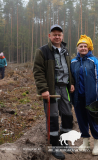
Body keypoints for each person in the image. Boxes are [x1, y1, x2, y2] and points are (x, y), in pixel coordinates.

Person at [33, 24, 75, 159]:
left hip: (65, 88)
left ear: (62, 37)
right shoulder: (42, 51)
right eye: (54, 34)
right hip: (52, 89)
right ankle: (54, 146)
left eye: (59, 35)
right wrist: (43, 89)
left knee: (68, 115)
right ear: (49, 36)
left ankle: (63, 142)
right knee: (53, 118)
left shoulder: (66, 51)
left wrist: (72, 83)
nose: (57, 37)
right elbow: (38, 71)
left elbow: (69, 69)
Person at [70, 35, 98, 156]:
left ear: (89, 48)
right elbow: (70, 78)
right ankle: (85, 142)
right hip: (78, 97)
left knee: (93, 121)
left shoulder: (95, 61)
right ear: (77, 48)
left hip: (92, 97)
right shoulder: (73, 62)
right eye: (81, 46)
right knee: (81, 120)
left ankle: (96, 143)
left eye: (85, 46)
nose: (83, 48)